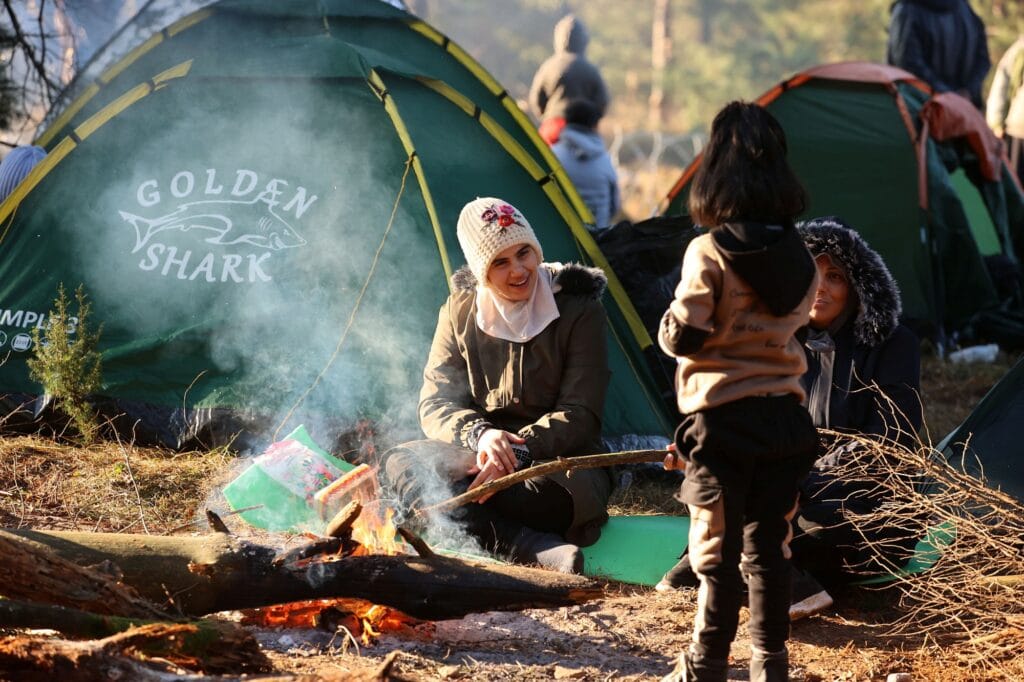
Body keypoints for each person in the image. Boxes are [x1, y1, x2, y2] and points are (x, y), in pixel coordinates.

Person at [657, 101, 820, 682]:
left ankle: (704, 667)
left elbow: (688, 333)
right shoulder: (803, 255)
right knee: (771, 551)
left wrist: (666, 326)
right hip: (784, 421)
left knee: (715, 554)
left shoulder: (709, 251)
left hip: (722, 423)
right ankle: (769, 666)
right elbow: (800, 323)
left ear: (716, 169)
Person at [381, 197, 612, 574]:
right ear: (480, 269)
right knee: (399, 462)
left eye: (524, 253)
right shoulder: (459, 310)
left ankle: (476, 531)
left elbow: (580, 413)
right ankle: (530, 547)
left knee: (523, 496)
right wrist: (481, 436)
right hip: (477, 453)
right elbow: (436, 401)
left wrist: (516, 454)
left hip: (555, 465)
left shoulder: (579, 308)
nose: (519, 270)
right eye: (500, 263)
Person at [788, 217, 923, 596]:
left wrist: (804, 481)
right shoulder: (780, 342)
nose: (820, 288)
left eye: (835, 277)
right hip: (791, 488)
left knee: (812, 521)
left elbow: (892, 441)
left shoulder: (895, 345)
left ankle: (776, 569)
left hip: (869, 495)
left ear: (857, 287)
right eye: (811, 273)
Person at [886, 0, 990, 109]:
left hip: (919, 110)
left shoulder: (907, 10)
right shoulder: (965, 8)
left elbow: (907, 64)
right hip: (963, 112)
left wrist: (955, 95)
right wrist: (965, 94)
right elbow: (983, 60)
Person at [528, 14, 610, 146]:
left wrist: (547, 116)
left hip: (552, 130)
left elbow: (537, 100)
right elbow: (602, 102)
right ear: (583, 41)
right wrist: (591, 121)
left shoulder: (548, 67)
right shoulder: (591, 70)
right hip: (584, 132)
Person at [551, 100, 621, 230]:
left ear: (565, 122)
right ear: (595, 125)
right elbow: (614, 206)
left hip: (562, 234)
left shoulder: (552, 155)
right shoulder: (604, 160)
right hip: (597, 238)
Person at [986, 35, 1024, 181]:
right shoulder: (1020, 49)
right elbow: (1002, 83)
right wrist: (996, 122)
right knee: (1016, 183)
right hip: (1018, 130)